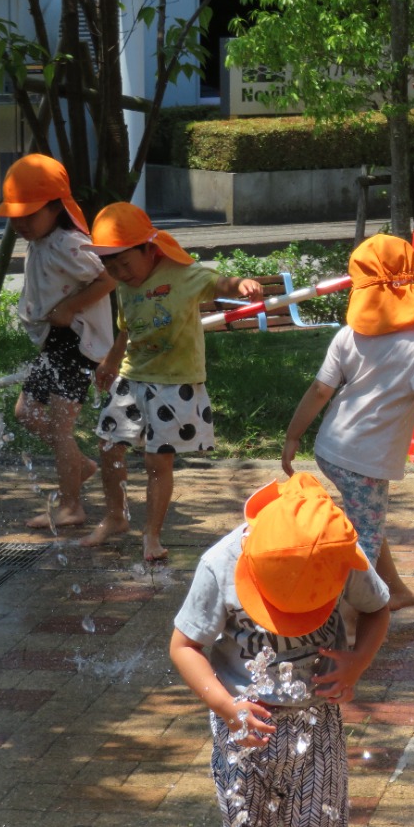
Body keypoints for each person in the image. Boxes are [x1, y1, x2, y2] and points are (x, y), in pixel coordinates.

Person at [170, 473, 390, 827]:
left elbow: (377, 609)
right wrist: (225, 705)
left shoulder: (340, 554)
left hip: (318, 718)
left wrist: (357, 662)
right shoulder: (221, 563)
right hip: (243, 722)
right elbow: (184, 645)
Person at [281, 233, 414, 611]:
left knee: (367, 518)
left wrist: (293, 436)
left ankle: (395, 592)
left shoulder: (349, 337)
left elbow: (319, 391)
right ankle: (339, 619)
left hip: (332, 448)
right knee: (364, 544)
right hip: (365, 463)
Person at [78, 202, 263, 562]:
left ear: (149, 250)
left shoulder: (183, 275)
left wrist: (240, 283)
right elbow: (126, 328)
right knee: (108, 447)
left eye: (126, 265)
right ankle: (116, 517)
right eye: (110, 267)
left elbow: (217, 282)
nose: (120, 274)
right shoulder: (124, 282)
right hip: (133, 375)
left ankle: (152, 535)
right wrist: (111, 360)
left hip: (174, 382)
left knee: (157, 461)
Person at [0, 154, 115, 529]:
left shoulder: (67, 243)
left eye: (28, 215)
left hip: (77, 342)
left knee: (61, 429)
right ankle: (78, 465)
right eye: (14, 216)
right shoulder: (43, 241)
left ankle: (71, 506)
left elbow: (110, 275)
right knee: (25, 413)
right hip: (56, 342)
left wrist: (71, 307)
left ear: (55, 207)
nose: (20, 224)